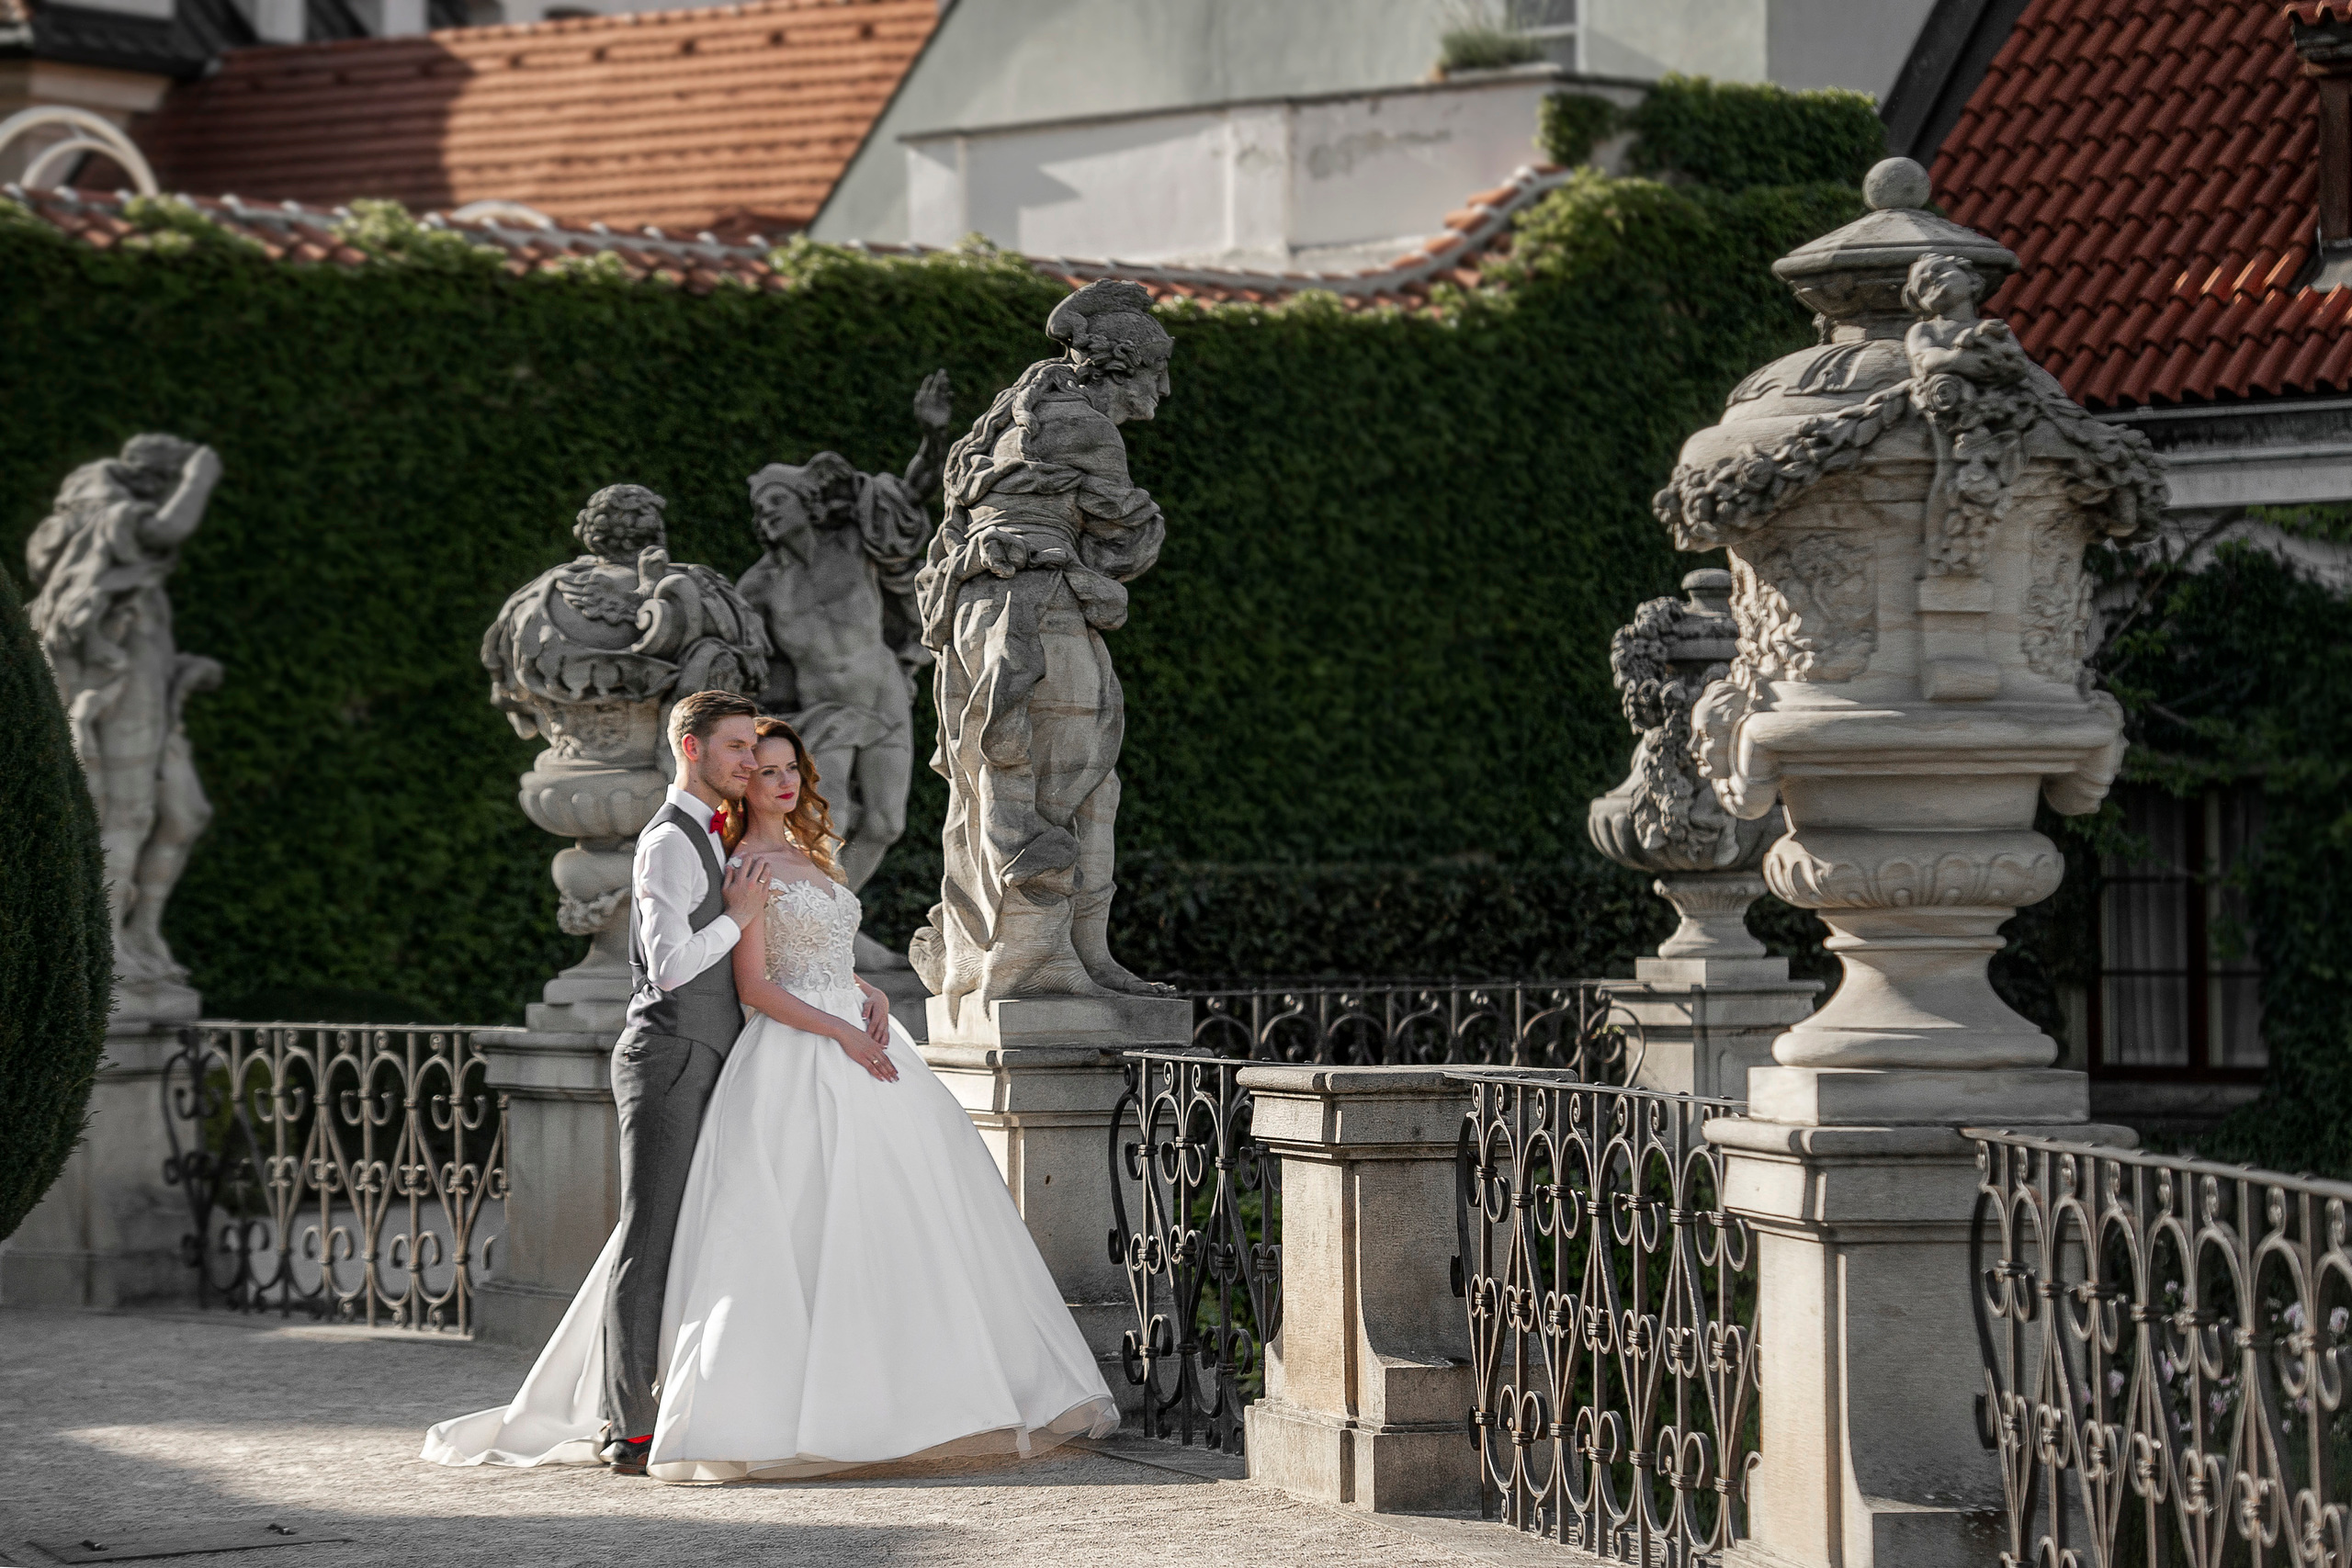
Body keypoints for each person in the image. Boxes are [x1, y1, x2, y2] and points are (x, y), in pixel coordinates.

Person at [424, 716, 1118, 1481]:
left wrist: (863, 994)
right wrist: (841, 1031)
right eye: (762, 766)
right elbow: (754, 984)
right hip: (792, 1053)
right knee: (752, 1227)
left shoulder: (809, 855)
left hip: (855, 1035)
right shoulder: (739, 863)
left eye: (789, 767)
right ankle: (672, 1417)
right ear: (737, 778)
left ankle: (919, 1393)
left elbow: (815, 952)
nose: (780, 778)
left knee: (896, 1217)